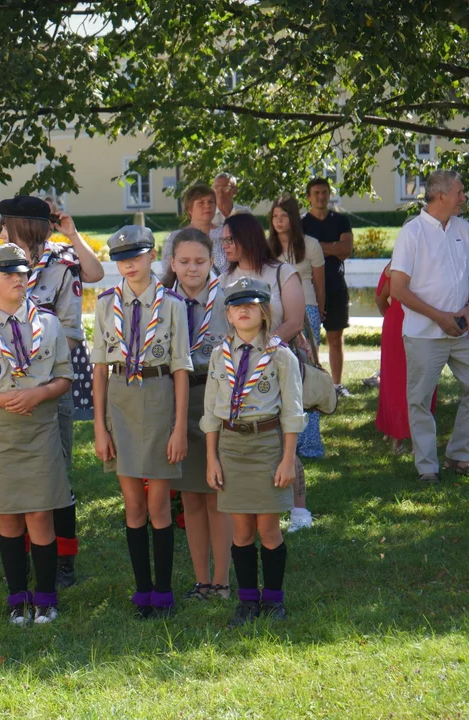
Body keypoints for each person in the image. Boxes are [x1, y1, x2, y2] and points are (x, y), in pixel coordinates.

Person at [0, 243, 74, 625]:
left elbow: (65, 377)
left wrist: (38, 393)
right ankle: (17, 595)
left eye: (22, 273)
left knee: (40, 515)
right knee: (8, 517)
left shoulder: (48, 323)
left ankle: (46, 598)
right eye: (9, 275)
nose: (19, 280)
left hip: (39, 431)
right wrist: (0, 400)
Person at [92, 225, 192, 619]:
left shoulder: (171, 305)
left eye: (135, 255)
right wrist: (100, 427)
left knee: (159, 507)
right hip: (119, 401)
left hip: (158, 399)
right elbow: (99, 369)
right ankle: (142, 591)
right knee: (133, 506)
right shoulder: (105, 303)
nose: (128, 264)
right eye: (120, 258)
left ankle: (164, 591)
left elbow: (181, 368)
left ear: (153, 256)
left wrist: (179, 427)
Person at [202, 277, 305, 628]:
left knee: (269, 530)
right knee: (241, 532)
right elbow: (212, 412)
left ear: (264, 311)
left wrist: (288, 459)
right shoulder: (219, 356)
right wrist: (211, 458)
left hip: (266, 446)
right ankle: (247, 602)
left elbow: (292, 412)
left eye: (251, 304)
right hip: (231, 447)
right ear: (228, 315)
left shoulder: (280, 356)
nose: (243, 310)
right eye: (236, 305)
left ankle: (274, 601)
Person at [0, 195, 86, 587]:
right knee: (14, 470)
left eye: (6, 225)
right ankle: (26, 553)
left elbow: (71, 332)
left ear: (24, 227)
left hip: (51, 386)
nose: (0, 232)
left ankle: (63, 558)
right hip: (8, 392)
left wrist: (38, 372)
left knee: (55, 474)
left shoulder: (64, 268)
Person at [221, 213, 313, 533]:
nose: (225, 246)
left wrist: (263, 350)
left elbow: (295, 321)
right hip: (235, 369)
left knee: (282, 435)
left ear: (247, 238)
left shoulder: (280, 272)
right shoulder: (223, 277)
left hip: (277, 362)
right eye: (223, 241)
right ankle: (249, 505)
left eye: (230, 239)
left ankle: (299, 510)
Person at [162, 228, 232, 601]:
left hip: (216, 398)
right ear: (172, 263)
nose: (192, 269)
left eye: (200, 262)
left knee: (215, 493)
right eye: (184, 261)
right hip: (177, 399)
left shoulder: (228, 298)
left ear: (213, 262)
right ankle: (201, 579)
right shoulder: (161, 302)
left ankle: (221, 580)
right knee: (190, 494)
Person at [389, 170, 469, 484]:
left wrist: (465, 311)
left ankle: (460, 455)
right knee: (419, 400)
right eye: (460, 192)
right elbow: (397, 289)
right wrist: (440, 316)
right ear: (440, 195)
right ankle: (427, 469)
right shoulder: (412, 233)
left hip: (462, 332)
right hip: (424, 335)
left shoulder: (464, 228)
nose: (463, 198)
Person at [269, 195, 326, 460]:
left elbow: (319, 284)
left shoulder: (311, 245)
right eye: (275, 216)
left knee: (308, 373)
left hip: (308, 313)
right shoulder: (267, 248)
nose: (279, 221)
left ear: (293, 218)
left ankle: (311, 444)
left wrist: (318, 313)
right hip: (279, 314)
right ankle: (283, 443)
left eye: (284, 216)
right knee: (282, 374)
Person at [42, 197, 102, 425]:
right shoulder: (15, 258)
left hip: (65, 345)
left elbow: (96, 274)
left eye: (50, 217)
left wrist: (72, 234)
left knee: (62, 417)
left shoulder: (64, 253)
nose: (45, 224)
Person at [375, 262, 436, 454]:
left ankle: (399, 437)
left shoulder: (393, 266)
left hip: (401, 322)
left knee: (402, 380)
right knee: (416, 378)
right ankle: (405, 437)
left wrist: (394, 316)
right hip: (415, 324)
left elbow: (380, 300)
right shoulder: (427, 264)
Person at [302, 177, 354, 398]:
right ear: (308, 197)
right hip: (308, 289)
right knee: (308, 340)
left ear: (329, 194)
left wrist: (314, 247)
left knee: (335, 337)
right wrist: (333, 248)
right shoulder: (302, 224)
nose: (321, 197)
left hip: (335, 286)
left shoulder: (341, 220)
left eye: (324, 192)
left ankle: (336, 386)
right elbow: (301, 252)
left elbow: (347, 249)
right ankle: (313, 385)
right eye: (316, 193)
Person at [160, 184, 227, 273]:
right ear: (189, 209)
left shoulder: (226, 234)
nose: (207, 206)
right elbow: (168, 271)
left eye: (211, 202)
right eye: (201, 203)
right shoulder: (175, 238)